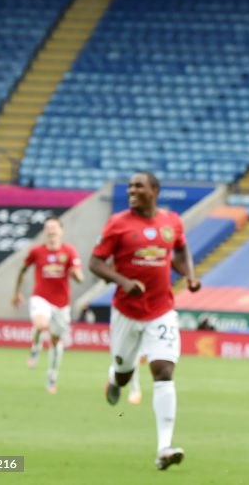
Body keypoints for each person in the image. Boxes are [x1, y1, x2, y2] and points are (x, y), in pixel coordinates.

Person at [89, 171, 200, 470]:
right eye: (130, 186)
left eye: (138, 186)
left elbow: (179, 249)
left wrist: (188, 274)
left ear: (154, 190)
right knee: (125, 374)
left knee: (163, 371)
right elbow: (95, 262)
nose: (132, 190)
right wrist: (123, 281)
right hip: (126, 311)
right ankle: (115, 377)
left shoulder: (172, 222)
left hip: (161, 309)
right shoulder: (117, 224)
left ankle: (164, 448)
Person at [11, 215, 83, 393]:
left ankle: (52, 376)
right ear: (45, 232)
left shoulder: (69, 251)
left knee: (55, 341)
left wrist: (75, 275)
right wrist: (17, 292)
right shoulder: (37, 251)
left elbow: (80, 277)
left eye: (54, 227)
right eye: (48, 227)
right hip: (40, 297)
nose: (51, 230)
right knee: (41, 323)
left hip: (61, 304)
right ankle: (35, 347)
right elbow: (22, 270)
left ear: (61, 231)